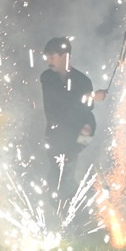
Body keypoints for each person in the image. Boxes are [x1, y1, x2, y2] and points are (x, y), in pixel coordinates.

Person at [40, 36, 107, 197]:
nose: (48, 61)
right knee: (56, 178)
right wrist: (90, 95)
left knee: (66, 173)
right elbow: (63, 101)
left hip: (80, 134)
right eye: (47, 57)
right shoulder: (47, 78)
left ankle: (80, 209)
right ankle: (75, 207)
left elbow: (86, 109)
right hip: (56, 135)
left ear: (64, 56)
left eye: (52, 57)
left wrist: (91, 98)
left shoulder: (83, 80)